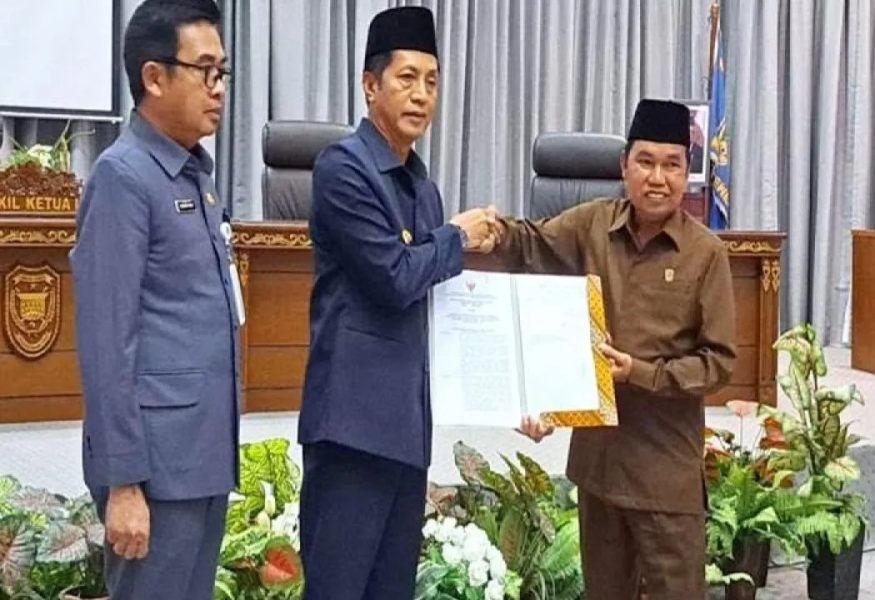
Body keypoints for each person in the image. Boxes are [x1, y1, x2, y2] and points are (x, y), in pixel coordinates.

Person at [488, 99, 737, 598]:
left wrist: (639, 373)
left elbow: (719, 363)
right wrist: (487, 230)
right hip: (599, 469)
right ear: (624, 166)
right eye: (645, 161)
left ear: (687, 173)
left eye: (671, 165)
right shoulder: (592, 226)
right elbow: (530, 244)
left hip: (665, 476)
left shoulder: (705, 253)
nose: (657, 178)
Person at [297, 6, 499, 599]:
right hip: (352, 428)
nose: (422, 95)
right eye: (406, 78)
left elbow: (439, 303)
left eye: (432, 81)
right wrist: (457, 236)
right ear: (370, 85)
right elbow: (394, 276)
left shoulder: (424, 188)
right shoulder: (342, 169)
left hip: (407, 430)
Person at [70, 1, 239, 598]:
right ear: (154, 76)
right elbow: (105, 341)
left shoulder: (195, 176)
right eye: (205, 70)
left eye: (223, 72)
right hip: (153, 472)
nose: (218, 88)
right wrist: (122, 482)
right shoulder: (124, 177)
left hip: (200, 459)